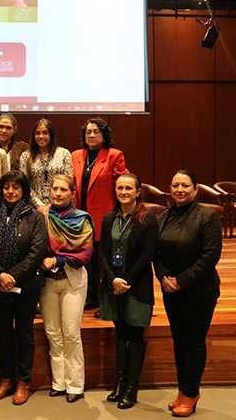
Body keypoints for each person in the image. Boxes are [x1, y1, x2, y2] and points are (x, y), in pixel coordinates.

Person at [155, 170, 222, 417]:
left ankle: (192, 393)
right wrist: (163, 277)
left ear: (195, 190)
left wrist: (180, 281)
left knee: (193, 343)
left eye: (185, 185)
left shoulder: (207, 216)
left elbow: (210, 256)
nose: (179, 190)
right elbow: (156, 252)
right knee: (178, 341)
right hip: (171, 290)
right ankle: (183, 391)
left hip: (199, 292)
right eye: (175, 186)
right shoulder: (164, 217)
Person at [98, 173, 158, 409]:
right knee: (120, 333)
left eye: (128, 188)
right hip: (113, 285)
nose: (123, 192)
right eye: (119, 188)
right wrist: (113, 280)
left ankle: (132, 388)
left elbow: (147, 255)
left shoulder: (148, 218)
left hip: (136, 286)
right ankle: (120, 384)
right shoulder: (109, 218)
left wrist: (125, 281)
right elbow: (102, 252)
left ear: (137, 191)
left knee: (135, 335)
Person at [0, 170, 48, 406]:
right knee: (2, 334)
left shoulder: (35, 216)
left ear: (24, 190)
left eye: (16, 187)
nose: (10, 191)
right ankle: (6, 379)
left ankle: (23, 381)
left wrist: (10, 276)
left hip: (26, 286)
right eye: (6, 187)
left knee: (24, 334)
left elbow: (36, 253)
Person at [39, 174, 94, 403]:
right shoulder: (41, 215)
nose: (58, 193)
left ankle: (75, 385)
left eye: (63, 190)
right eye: (55, 189)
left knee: (71, 333)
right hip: (48, 283)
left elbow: (86, 253)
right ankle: (58, 383)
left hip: (72, 280)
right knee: (53, 333)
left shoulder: (81, 219)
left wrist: (58, 260)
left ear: (73, 194)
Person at [72, 118, 127, 310]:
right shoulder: (76, 156)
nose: (92, 135)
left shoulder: (114, 155)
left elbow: (123, 184)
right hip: (80, 217)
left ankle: (105, 300)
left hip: (104, 216)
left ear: (104, 135)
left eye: (96, 132)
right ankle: (91, 297)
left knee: (102, 259)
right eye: (88, 132)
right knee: (86, 259)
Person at [21, 119, 73, 209]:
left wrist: (55, 204)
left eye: (45, 133)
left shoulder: (64, 153)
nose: (41, 136)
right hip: (34, 208)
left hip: (60, 205)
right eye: (37, 133)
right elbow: (25, 185)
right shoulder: (26, 156)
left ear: (51, 135)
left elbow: (68, 181)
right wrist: (41, 206)